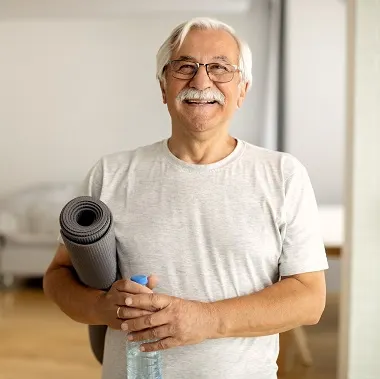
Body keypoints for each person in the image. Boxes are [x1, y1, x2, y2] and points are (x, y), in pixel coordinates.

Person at [43, 17, 329, 379]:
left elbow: (309, 300)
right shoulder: (110, 174)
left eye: (220, 68)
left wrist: (205, 320)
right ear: (164, 86)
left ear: (242, 89)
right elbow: (57, 277)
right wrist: (103, 308)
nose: (201, 80)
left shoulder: (283, 175)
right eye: (185, 66)